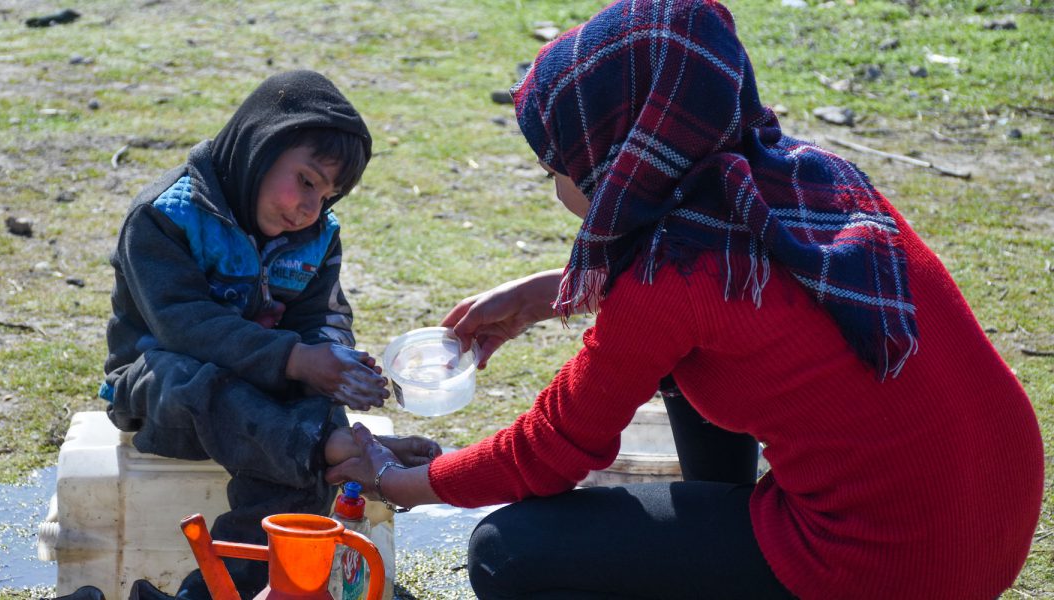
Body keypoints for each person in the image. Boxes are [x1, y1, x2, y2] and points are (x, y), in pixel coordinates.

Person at [325, 1, 1044, 598]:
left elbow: (552, 451)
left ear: (620, 155)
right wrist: (552, 295)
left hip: (895, 568)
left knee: (504, 550)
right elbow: (746, 308)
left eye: (560, 166)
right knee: (684, 372)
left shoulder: (669, 282)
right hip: (993, 507)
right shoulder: (803, 179)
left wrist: (402, 481)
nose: (556, 187)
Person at [96, 70, 440, 600]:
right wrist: (298, 360)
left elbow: (322, 316)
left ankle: (214, 590)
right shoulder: (166, 217)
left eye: (327, 196)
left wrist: (337, 360)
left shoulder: (315, 238)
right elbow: (185, 326)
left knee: (302, 432)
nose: (309, 208)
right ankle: (333, 446)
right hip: (163, 390)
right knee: (206, 381)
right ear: (260, 145)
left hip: (265, 399)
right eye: (305, 180)